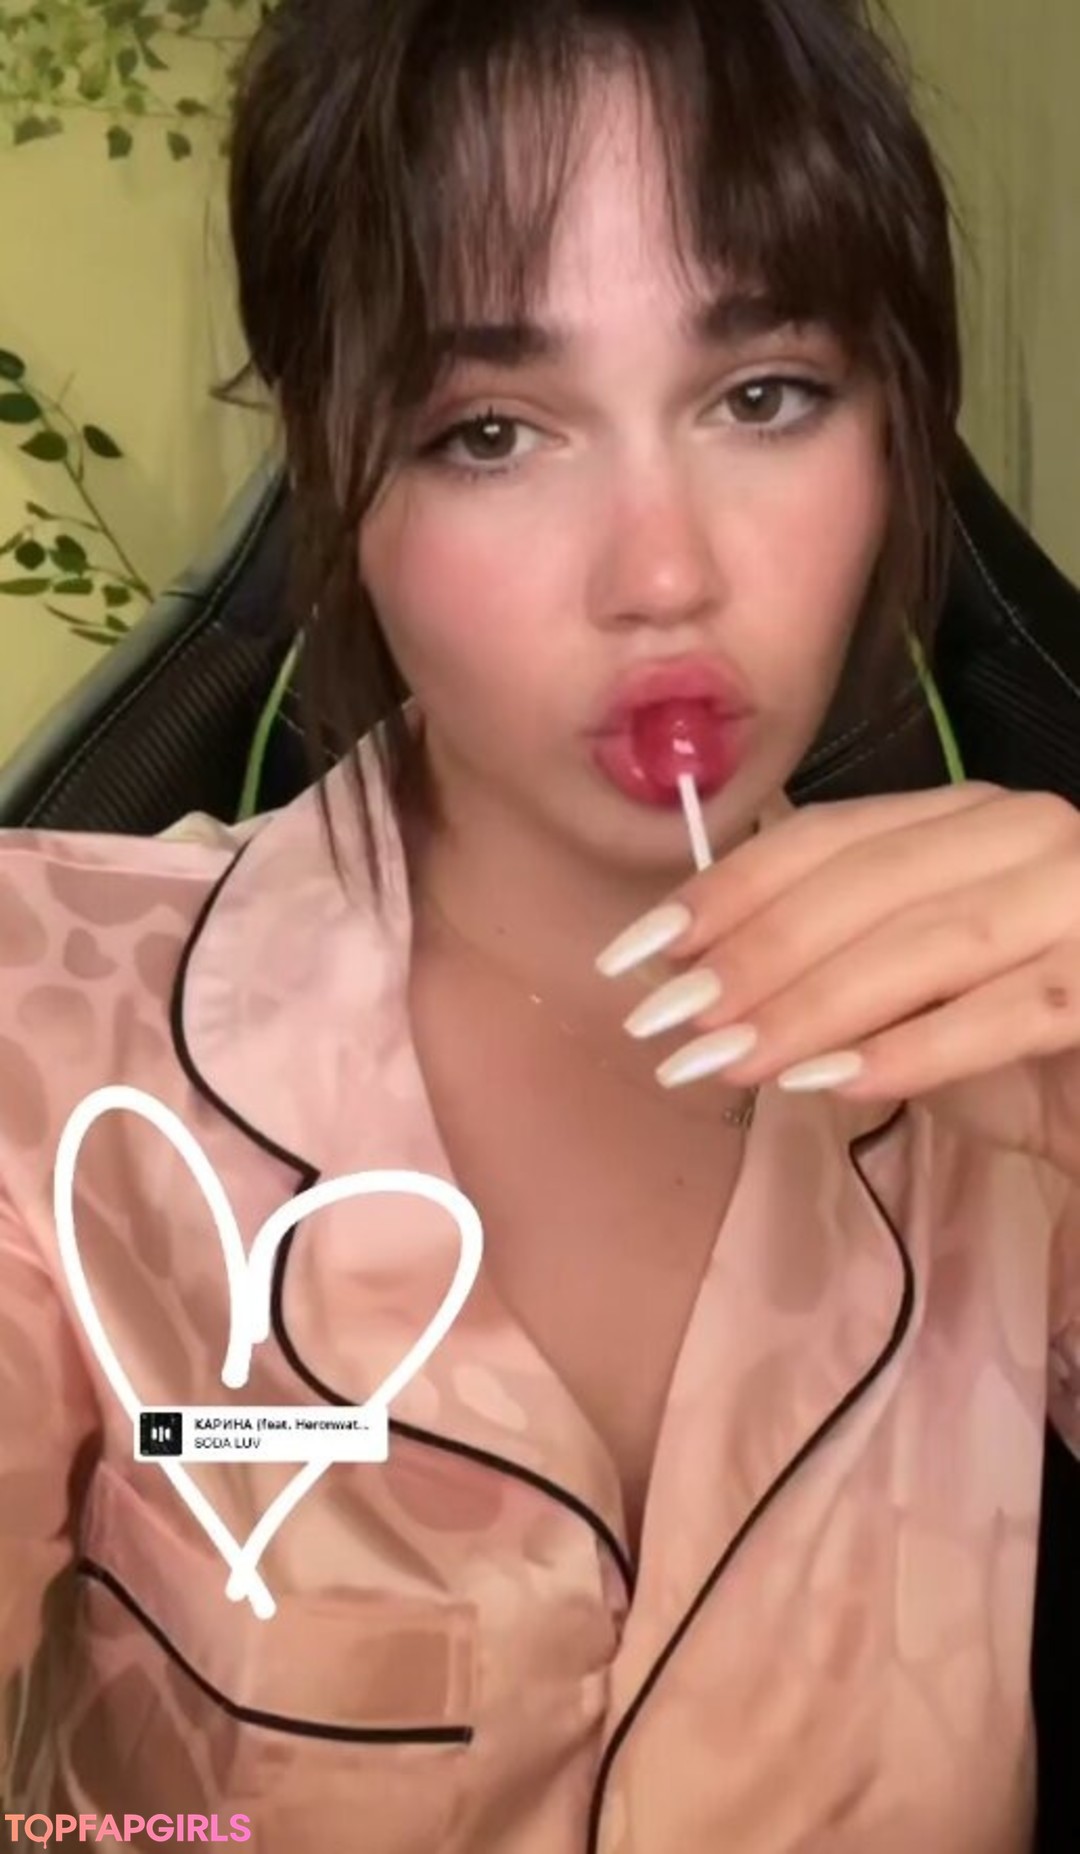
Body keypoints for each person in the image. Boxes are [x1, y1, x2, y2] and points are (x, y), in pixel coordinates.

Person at [0, 0, 1078, 1848]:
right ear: (337, 481)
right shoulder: (48, 1023)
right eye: (491, 430)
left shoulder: (1021, 1032)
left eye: (765, 395)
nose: (663, 571)